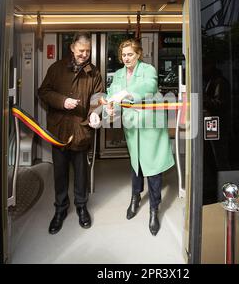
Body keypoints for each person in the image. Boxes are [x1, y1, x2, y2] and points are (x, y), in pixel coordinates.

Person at [106, 38, 174, 236]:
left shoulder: (148, 70)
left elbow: (150, 87)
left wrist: (127, 93)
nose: (126, 58)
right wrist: (109, 107)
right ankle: (135, 198)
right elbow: (112, 94)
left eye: (130, 54)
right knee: (136, 164)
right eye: (123, 55)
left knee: (153, 168)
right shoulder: (118, 74)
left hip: (150, 126)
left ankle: (154, 208)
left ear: (138, 54)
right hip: (132, 126)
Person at [38, 32, 103, 234]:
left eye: (88, 51)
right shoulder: (56, 68)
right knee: (60, 173)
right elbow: (43, 92)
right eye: (81, 50)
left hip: (81, 128)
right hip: (59, 130)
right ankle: (60, 210)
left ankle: (82, 208)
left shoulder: (94, 73)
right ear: (72, 48)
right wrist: (62, 101)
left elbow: (99, 97)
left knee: (81, 173)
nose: (85, 54)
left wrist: (95, 113)